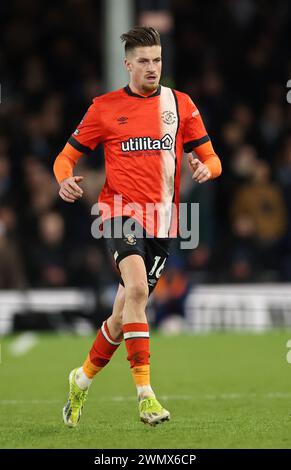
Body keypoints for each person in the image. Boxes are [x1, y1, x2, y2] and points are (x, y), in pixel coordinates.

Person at [53, 26, 222, 427]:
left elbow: (213, 159)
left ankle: (81, 379)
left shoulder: (180, 105)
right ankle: (145, 396)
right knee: (137, 289)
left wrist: (205, 168)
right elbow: (65, 157)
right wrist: (64, 180)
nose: (152, 67)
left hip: (163, 223)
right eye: (144, 61)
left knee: (122, 316)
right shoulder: (104, 108)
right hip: (118, 213)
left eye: (157, 60)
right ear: (127, 64)